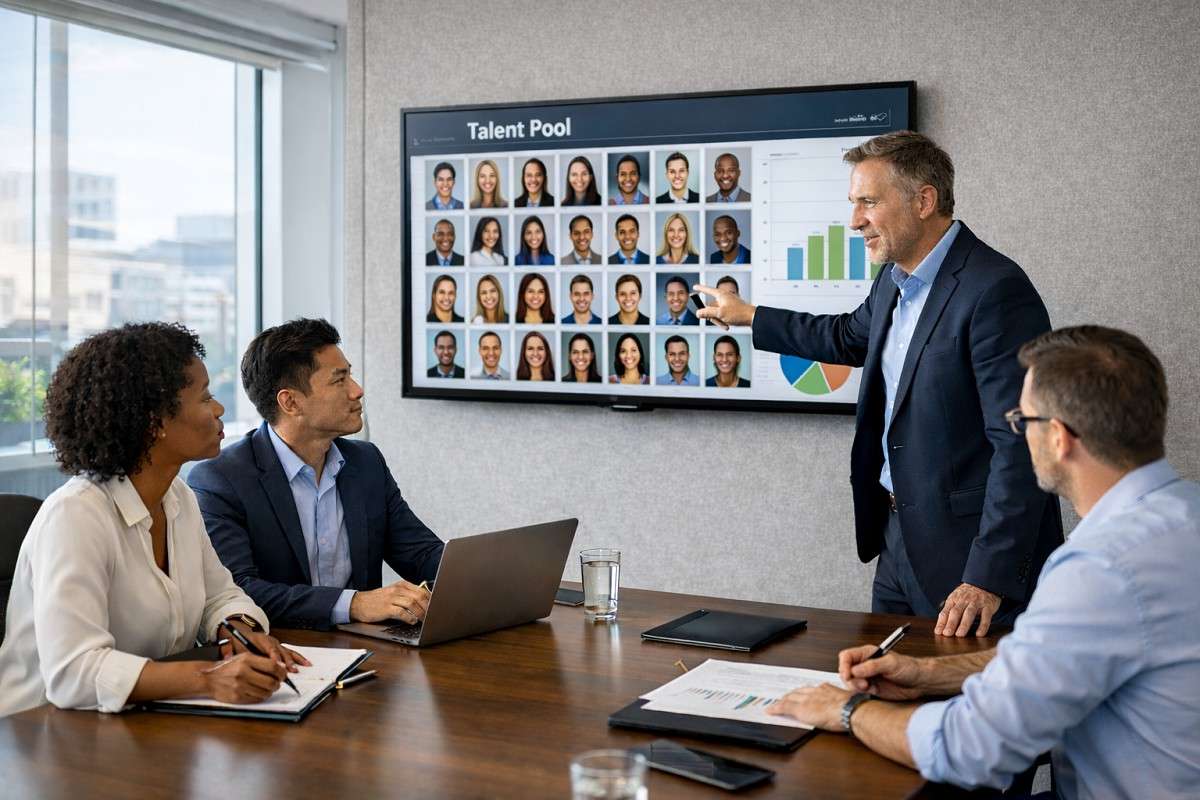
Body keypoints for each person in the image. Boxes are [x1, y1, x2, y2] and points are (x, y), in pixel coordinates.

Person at [768, 326, 1200, 799]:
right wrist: (928, 673)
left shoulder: (1101, 569)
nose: (1016, 434)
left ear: (1058, 438)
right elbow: (1051, 659)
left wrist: (847, 711)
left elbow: (973, 747)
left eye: (1022, 421)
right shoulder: (1182, 517)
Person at [695, 131, 1061, 633]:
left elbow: (1021, 445)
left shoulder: (995, 291)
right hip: (898, 541)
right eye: (853, 204)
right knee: (885, 688)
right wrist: (750, 316)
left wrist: (987, 578)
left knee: (961, 705)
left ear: (924, 200)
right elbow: (848, 337)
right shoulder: (893, 279)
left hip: (969, 566)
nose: (854, 221)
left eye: (868, 202)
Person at [0, 322, 306, 718]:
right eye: (205, 397)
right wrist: (208, 678)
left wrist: (238, 629)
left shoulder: (178, 497)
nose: (219, 409)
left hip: (138, 724)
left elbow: (220, 596)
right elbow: (73, 672)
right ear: (154, 422)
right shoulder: (76, 515)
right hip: (42, 737)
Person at [189, 318, 445, 629]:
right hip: (282, 655)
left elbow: (420, 553)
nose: (357, 390)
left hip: (369, 651)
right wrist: (354, 603)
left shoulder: (366, 462)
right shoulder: (220, 479)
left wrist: (486, 576)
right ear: (290, 401)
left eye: (350, 375)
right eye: (340, 380)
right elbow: (239, 590)